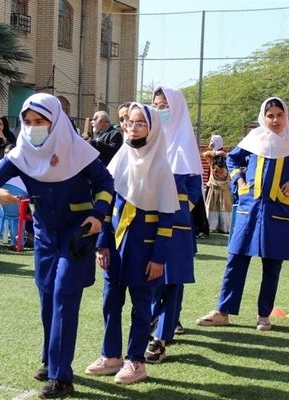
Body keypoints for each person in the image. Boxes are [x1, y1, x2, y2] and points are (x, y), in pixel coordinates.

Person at [0, 93, 114, 399]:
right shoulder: (21, 152)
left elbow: (106, 184)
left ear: (56, 121)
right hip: (44, 235)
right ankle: (51, 360)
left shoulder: (80, 150)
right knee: (47, 296)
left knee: (64, 295)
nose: (34, 127)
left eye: (40, 121)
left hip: (76, 234)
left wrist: (98, 215)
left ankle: (62, 376)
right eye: (28, 122)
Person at [196, 97, 289, 331]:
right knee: (236, 260)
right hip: (248, 210)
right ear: (263, 117)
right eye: (270, 115)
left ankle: (263, 316)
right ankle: (222, 311)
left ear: (286, 117)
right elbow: (232, 159)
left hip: (279, 212)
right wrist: (240, 182)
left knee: (272, 266)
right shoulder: (253, 139)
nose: (274, 120)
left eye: (279, 115)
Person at [85, 102, 179, 384]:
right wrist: (102, 243)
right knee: (110, 302)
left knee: (141, 308)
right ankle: (111, 356)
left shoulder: (161, 165)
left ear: (152, 129)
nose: (133, 127)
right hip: (115, 245)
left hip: (144, 248)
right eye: (130, 122)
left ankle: (136, 361)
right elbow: (108, 203)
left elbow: (166, 219)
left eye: (141, 123)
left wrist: (159, 258)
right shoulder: (120, 158)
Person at [148, 86, 203, 361]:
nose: (160, 111)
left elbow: (194, 187)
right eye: (156, 105)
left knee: (172, 281)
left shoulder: (186, 144)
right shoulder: (148, 139)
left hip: (177, 226)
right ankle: (150, 322)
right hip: (147, 221)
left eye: (164, 105)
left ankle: (161, 336)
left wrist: (179, 209)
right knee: (150, 277)